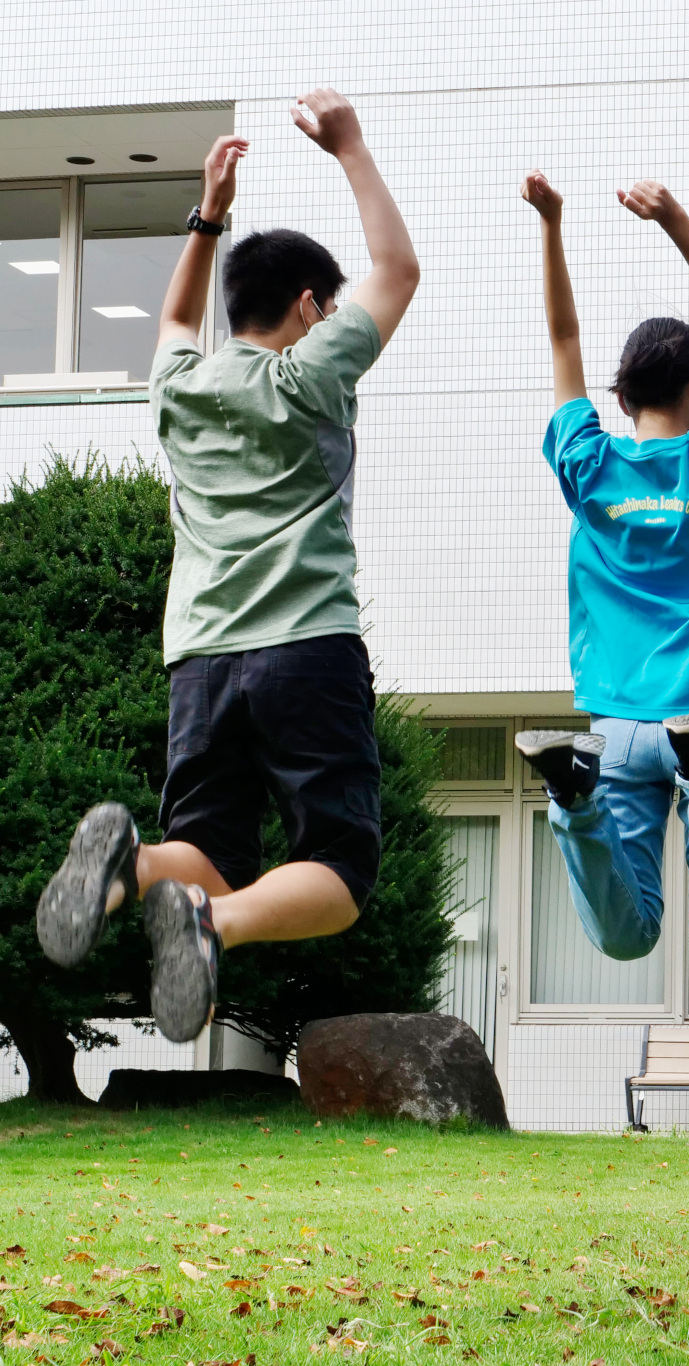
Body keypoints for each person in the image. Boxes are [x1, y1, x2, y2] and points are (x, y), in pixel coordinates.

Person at [35, 90, 420, 1043]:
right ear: (306, 308)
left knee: (201, 848)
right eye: (326, 308)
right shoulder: (309, 371)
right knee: (339, 872)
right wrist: (352, 147)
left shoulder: (180, 386)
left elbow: (172, 318)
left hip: (199, 659)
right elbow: (399, 269)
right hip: (305, 645)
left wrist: (209, 211)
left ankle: (132, 870)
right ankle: (214, 923)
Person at [513, 172, 689, 969]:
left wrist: (553, 224)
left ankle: (572, 799)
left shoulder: (590, 468)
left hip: (617, 727)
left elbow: (562, 343)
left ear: (619, 401)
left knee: (626, 938)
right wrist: (674, 220)